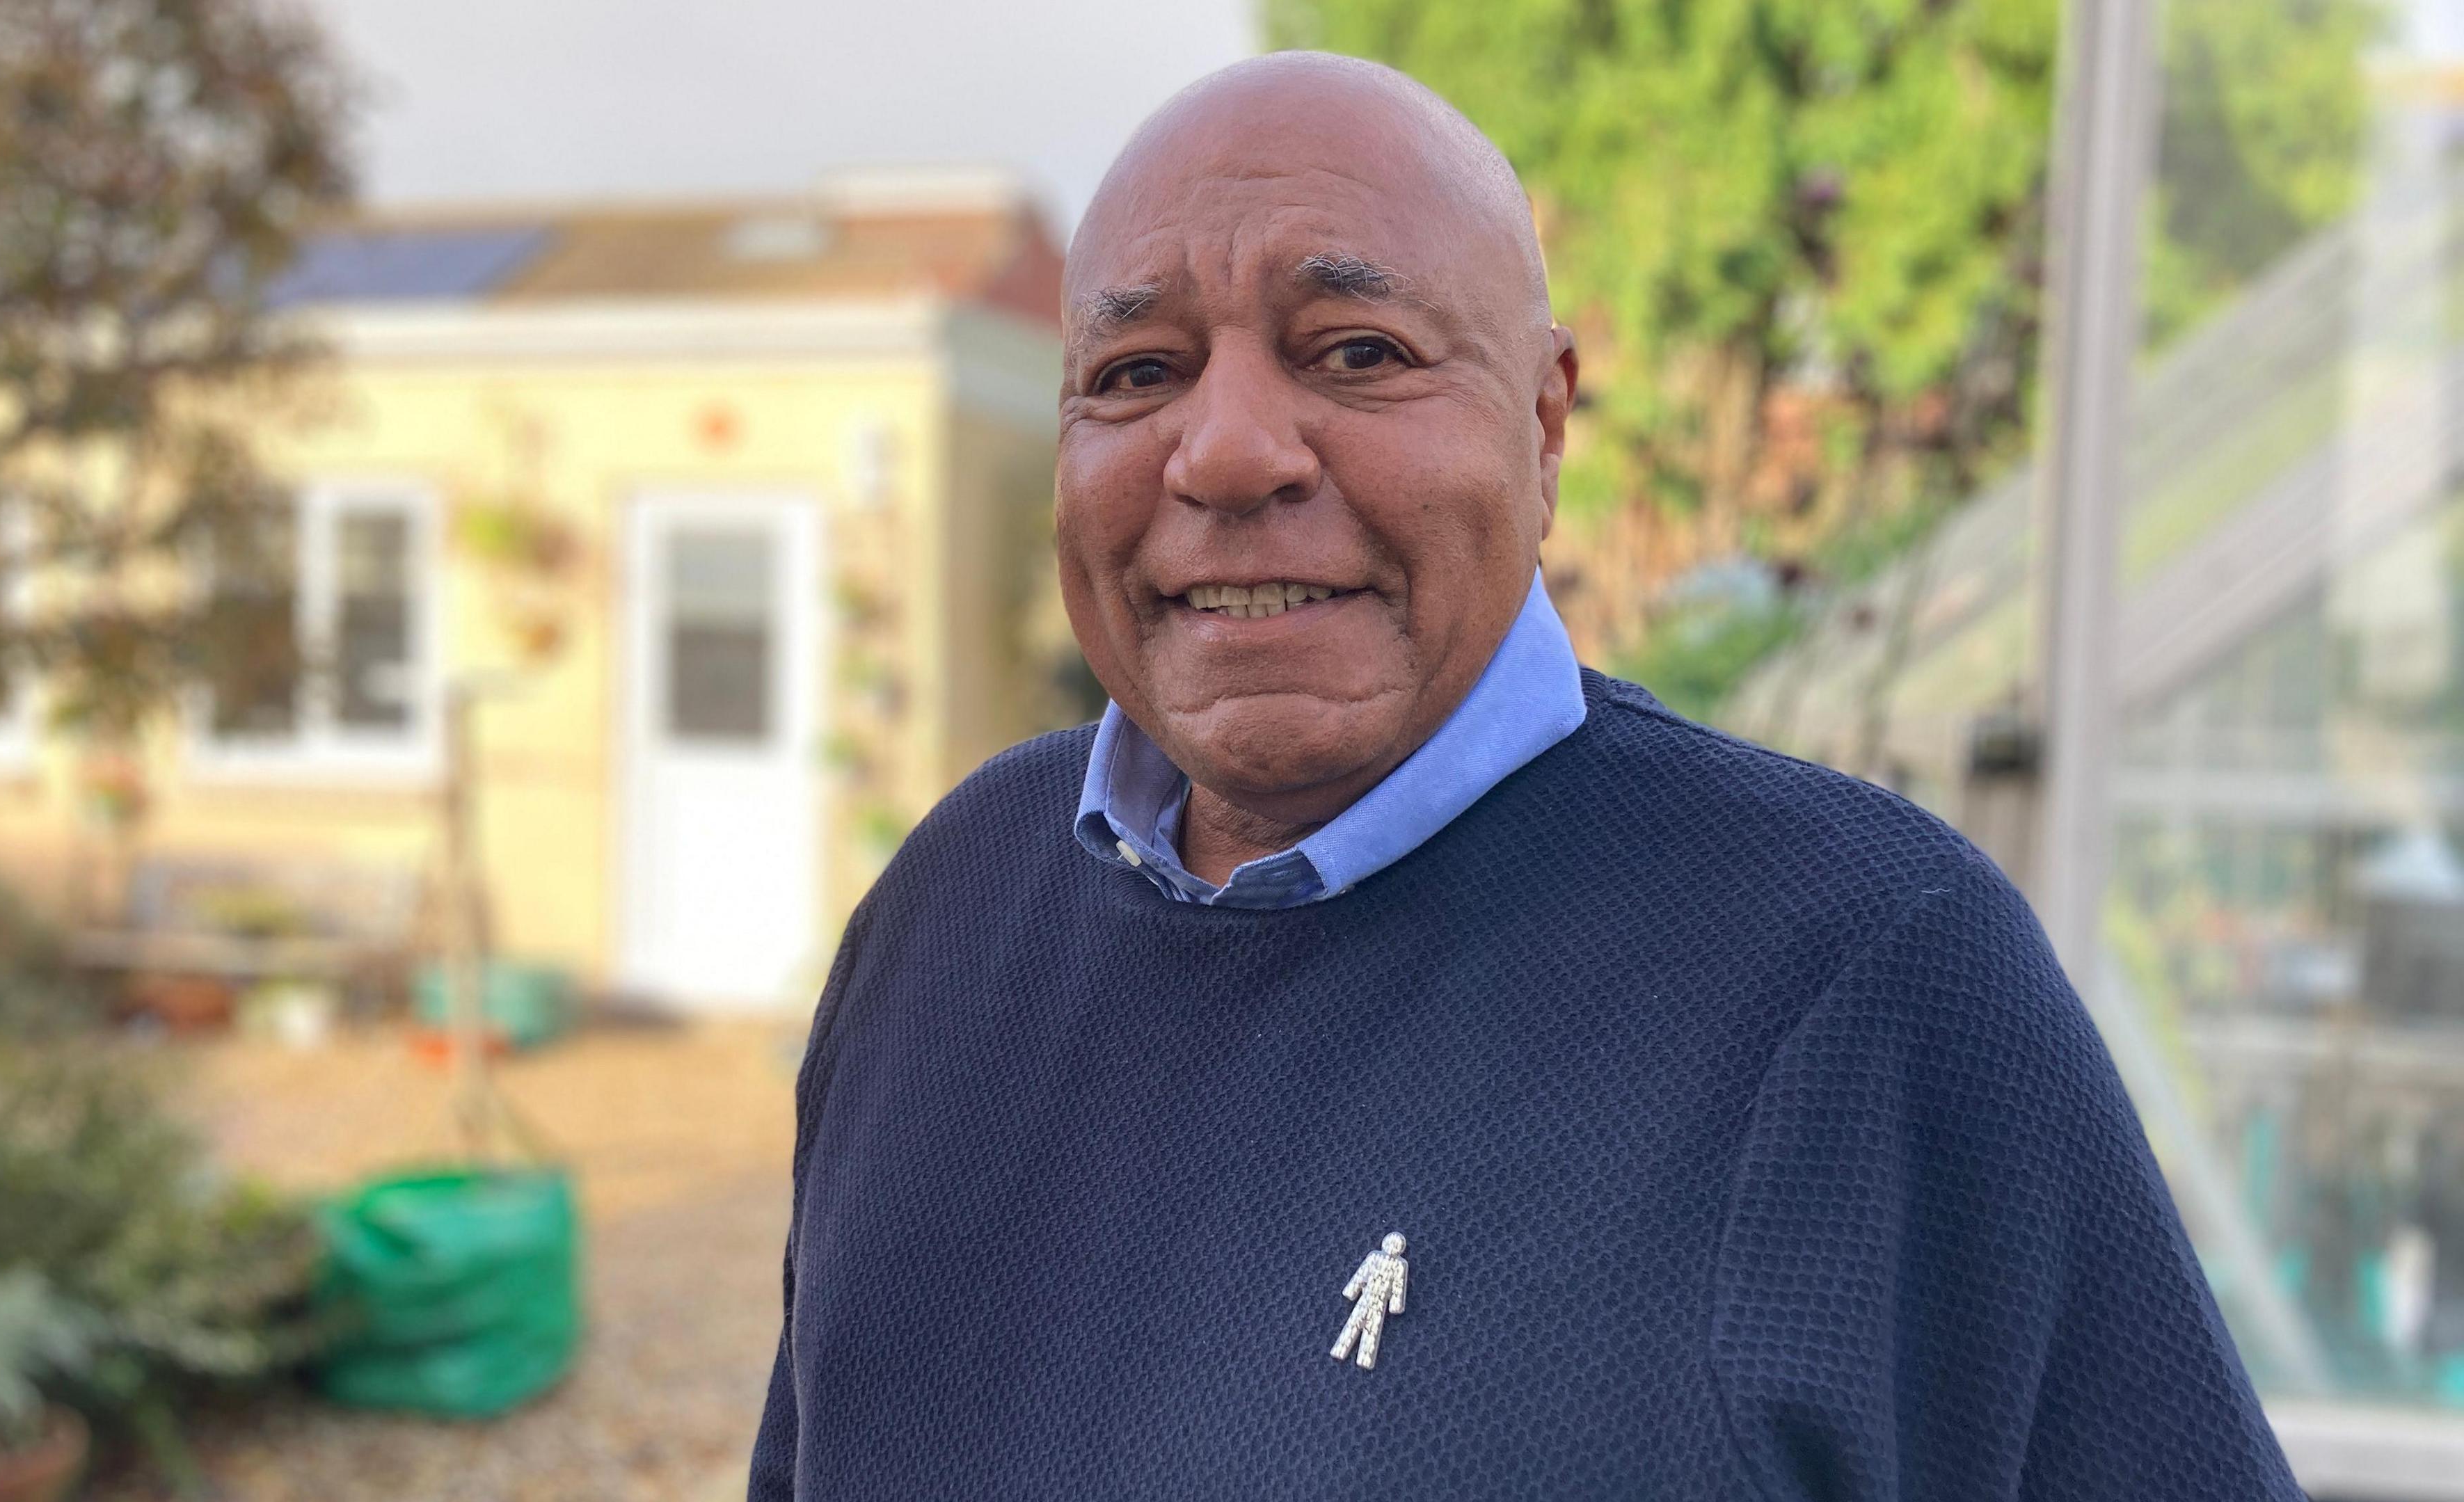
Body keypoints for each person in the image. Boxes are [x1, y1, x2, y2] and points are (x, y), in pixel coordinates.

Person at [749, 51, 2302, 1501]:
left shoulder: (1866, 976)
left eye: (1357, 353)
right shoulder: (948, 909)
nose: (1224, 453)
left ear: (1545, 424)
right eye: (1137, 371)